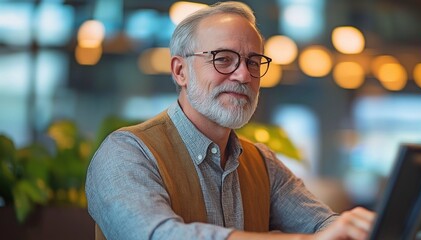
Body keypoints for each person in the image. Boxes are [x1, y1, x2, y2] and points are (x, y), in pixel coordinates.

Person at [85, 2, 375, 240]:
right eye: (223, 59)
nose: (243, 75)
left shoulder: (262, 163)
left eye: (252, 62)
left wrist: (351, 229)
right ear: (180, 71)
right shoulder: (126, 153)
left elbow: (322, 226)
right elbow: (160, 235)